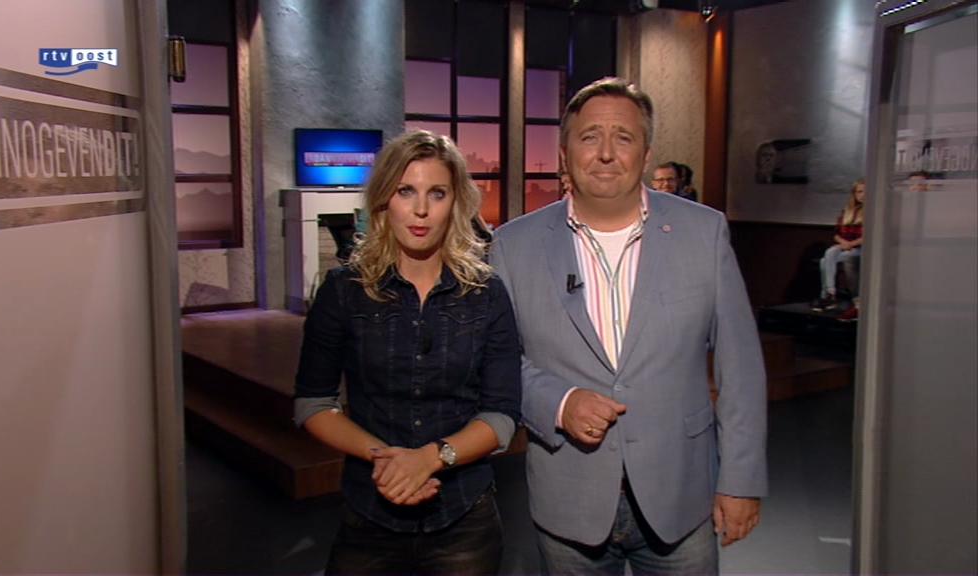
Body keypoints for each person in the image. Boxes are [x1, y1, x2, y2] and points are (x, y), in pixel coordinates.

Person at [491, 77, 767, 575]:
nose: (605, 153)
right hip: (569, 498)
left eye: (623, 137)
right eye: (589, 136)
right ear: (564, 153)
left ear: (646, 153)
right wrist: (558, 402)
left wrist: (741, 479)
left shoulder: (704, 232)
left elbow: (740, 367)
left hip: (681, 496)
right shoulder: (513, 245)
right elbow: (497, 361)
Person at [295, 130, 522, 575]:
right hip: (369, 516)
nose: (421, 210)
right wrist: (391, 463)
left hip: (464, 521)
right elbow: (313, 404)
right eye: (405, 191)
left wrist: (429, 459)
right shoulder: (343, 290)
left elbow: (502, 415)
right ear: (384, 199)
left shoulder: (486, 292)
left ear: (455, 203)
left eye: (437, 193)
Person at [813, 179, 865, 312]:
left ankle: (826, 296)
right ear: (854, 194)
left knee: (826, 261)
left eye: (865, 191)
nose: (862, 195)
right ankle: (831, 293)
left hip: (861, 249)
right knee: (828, 254)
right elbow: (836, 234)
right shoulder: (847, 211)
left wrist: (850, 244)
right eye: (859, 191)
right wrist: (843, 243)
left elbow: (868, 236)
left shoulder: (872, 212)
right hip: (845, 246)